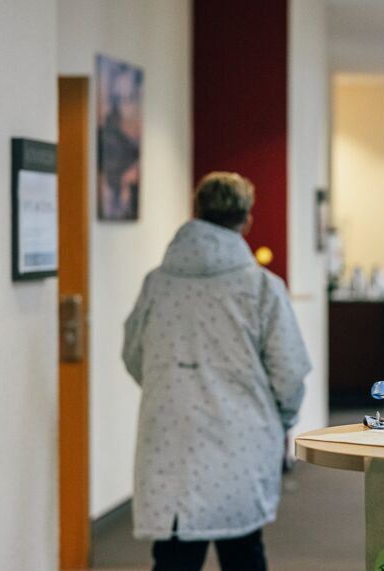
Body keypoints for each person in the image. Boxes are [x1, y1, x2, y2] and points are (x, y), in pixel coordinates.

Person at [122, 171, 311, 570]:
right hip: (242, 438)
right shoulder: (261, 287)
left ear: (197, 212)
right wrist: (280, 419)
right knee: (243, 551)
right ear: (246, 220)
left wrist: (174, 388)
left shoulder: (157, 284)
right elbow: (289, 371)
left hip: (170, 436)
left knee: (174, 554)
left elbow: (134, 354)